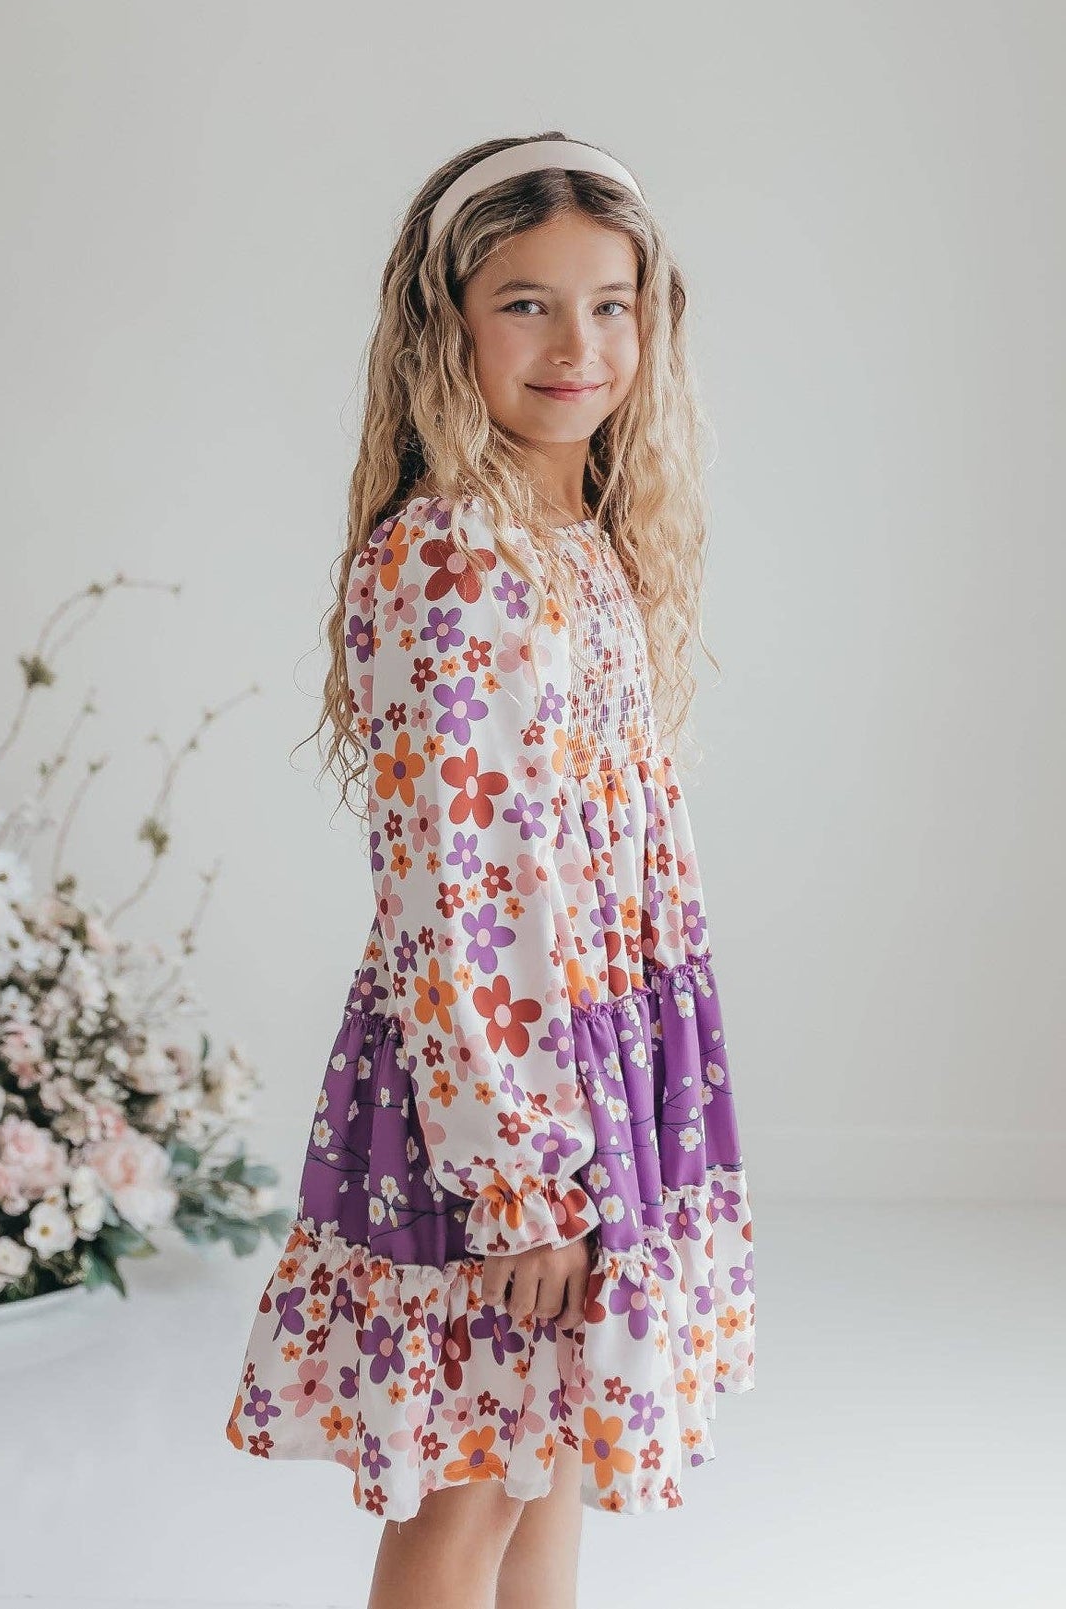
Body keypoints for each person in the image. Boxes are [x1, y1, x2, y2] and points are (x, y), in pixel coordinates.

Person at [224, 133, 756, 1609]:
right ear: (446, 324)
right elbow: (453, 884)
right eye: (525, 303)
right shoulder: (452, 558)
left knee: (550, 1456)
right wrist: (521, 1172)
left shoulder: (575, 537)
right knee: (470, 1484)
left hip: (595, 1053)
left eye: (610, 302)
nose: (575, 344)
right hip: (504, 1089)